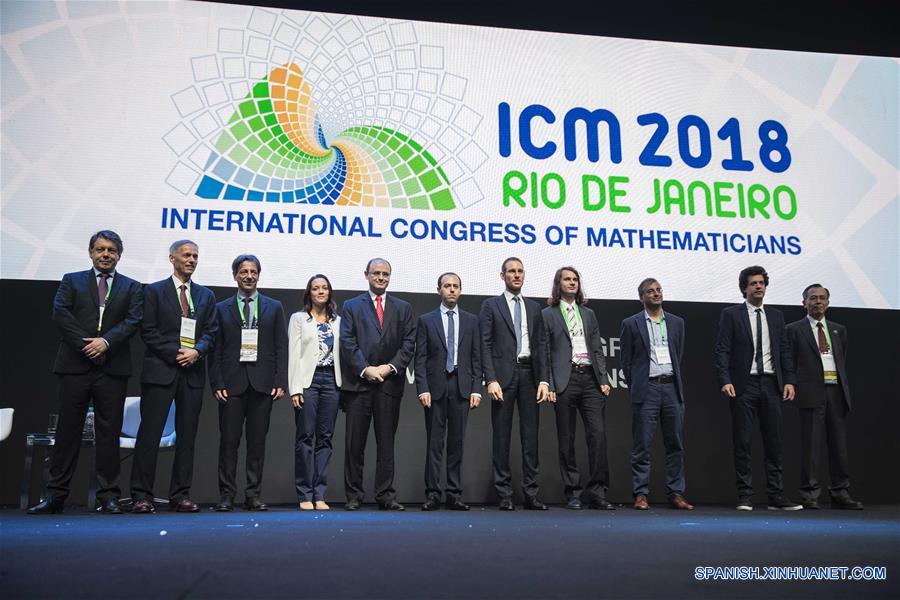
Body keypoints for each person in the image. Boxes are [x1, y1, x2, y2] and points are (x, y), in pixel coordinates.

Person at [28, 231, 143, 515]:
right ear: (91, 252)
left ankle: (109, 496)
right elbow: (61, 314)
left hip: (112, 368)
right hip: (75, 366)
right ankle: (55, 496)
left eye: (112, 250)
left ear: (119, 255)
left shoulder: (132, 287)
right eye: (100, 249)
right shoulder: (72, 280)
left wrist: (106, 342)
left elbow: (134, 320)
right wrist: (87, 345)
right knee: (67, 432)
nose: (106, 255)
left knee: (108, 433)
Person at [130, 239, 217, 513]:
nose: (191, 260)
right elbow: (148, 330)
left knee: (187, 436)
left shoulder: (205, 296)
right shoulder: (154, 291)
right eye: (186, 255)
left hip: (192, 373)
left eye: (195, 256)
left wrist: (197, 352)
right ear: (172, 259)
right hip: (161, 371)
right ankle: (141, 495)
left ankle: (181, 495)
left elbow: (211, 332)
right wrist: (176, 352)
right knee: (149, 434)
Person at [714, 265, 800, 511]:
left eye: (761, 282)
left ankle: (776, 495)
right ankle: (745, 496)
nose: (759, 286)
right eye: (753, 283)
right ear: (745, 288)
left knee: (774, 441)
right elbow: (722, 349)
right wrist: (725, 379)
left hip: (771, 384)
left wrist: (790, 380)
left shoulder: (776, 316)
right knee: (742, 441)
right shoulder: (731, 315)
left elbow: (783, 350)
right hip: (744, 384)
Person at [208, 255, 287, 512]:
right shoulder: (221, 308)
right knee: (229, 443)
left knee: (257, 443)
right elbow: (216, 348)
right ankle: (226, 495)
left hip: (263, 384)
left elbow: (280, 347)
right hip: (230, 384)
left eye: (254, 271)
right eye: (244, 271)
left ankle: (253, 495)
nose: (249, 276)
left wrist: (279, 380)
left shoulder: (273, 307)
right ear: (235, 276)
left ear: (259, 275)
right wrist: (217, 381)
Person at [340, 258, 415, 511]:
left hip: (389, 384)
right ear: (366, 275)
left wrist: (388, 367)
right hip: (359, 385)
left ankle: (386, 495)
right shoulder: (351, 306)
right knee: (354, 445)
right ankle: (353, 495)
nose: (381, 277)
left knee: (386, 444)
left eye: (385, 274)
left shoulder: (403, 307)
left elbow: (408, 343)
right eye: (376, 273)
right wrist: (365, 369)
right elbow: (347, 342)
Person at [480, 257, 550, 511]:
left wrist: (544, 379)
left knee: (530, 439)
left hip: (530, 375)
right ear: (502, 276)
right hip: (503, 378)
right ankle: (505, 494)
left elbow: (542, 345)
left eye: (520, 271)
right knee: (501, 437)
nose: (516, 275)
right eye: (511, 271)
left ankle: (531, 494)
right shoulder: (491, 305)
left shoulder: (534, 308)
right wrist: (491, 379)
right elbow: (484, 344)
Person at [542, 267, 613, 510]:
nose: (572, 283)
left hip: (590, 379)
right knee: (567, 439)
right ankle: (573, 491)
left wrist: (603, 377)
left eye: (575, 280)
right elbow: (545, 353)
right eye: (567, 279)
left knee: (598, 436)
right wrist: (549, 383)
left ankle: (597, 491)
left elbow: (596, 347)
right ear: (558, 284)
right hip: (565, 380)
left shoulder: (589, 313)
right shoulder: (547, 314)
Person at [786, 284, 862, 510]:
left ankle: (840, 492)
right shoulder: (794, 329)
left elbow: (842, 358)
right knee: (811, 446)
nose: (818, 302)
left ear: (828, 302)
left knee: (838, 445)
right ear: (804, 303)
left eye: (822, 298)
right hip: (810, 391)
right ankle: (809, 494)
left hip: (835, 391)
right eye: (812, 298)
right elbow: (789, 361)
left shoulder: (839, 330)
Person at [620, 278, 693, 511]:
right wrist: (639, 386)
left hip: (671, 387)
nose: (656, 294)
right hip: (647, 388)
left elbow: (678, 353)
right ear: (641, 297)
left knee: (676, 444)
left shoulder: (677, 322)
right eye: (650, 291)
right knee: (642, 444)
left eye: (659, 290)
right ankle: (641, 494)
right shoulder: (631, 324)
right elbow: (627, 362)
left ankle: (676, 494)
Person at [414, 273, 481, 511]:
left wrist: (476, 389)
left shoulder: (472, 321)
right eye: (447, 286)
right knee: (435, 444)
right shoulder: (426, 320)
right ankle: (433, 494)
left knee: (457, 443)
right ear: (438, 290)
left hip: (462, 387)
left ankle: (454, 494)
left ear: (460, 290)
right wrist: (422, 388)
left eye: (455, 286)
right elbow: (419, 359)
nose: (451, 290)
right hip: (435, 389)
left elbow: (476, 357)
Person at [288, 274, 342, 511]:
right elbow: (293, 354)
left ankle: (319, 494)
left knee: (326, 438)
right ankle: (304, 493)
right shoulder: (299, 319)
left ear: (330, 292)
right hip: (308, 382)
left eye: (324, 288)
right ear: (308, 293)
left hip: (332, 380)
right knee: (305, 437)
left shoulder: (338, 320)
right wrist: (295, 388)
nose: (320, 292)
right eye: (315, 288)